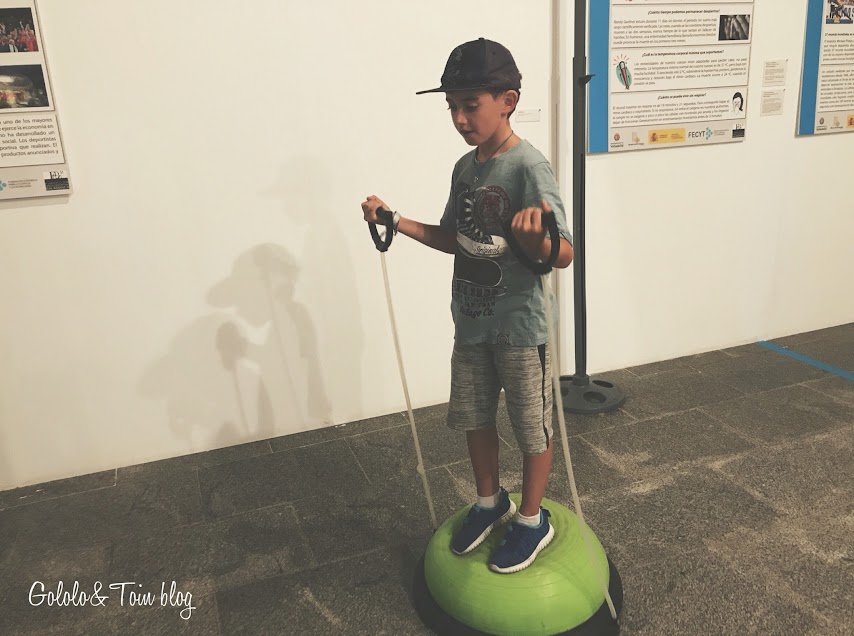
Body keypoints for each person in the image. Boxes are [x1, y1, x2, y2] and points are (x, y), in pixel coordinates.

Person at [360, 38, 573, 574]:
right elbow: (455, 237)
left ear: (508, 100)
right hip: (472, 323)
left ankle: (531, 520)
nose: (458, 118)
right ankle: (489, 502)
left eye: (469, 105)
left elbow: (565, 252)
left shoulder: (529, 167)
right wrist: (395, 220)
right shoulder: (465, 169)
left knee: (531, 426)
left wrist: (539, 239)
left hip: (520, 328)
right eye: (451, 106)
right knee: (476, 419)